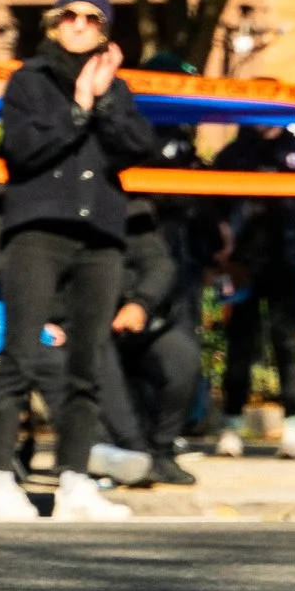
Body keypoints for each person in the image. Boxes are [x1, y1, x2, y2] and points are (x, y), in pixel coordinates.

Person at [0, 0, 153, 523]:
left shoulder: (114, 88)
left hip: (99, 237)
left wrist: (103, 101)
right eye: (69, 16)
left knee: (88, 365)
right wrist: (78, 105)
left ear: (104, 30)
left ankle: (75, 479)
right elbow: (23, 151)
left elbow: (137, 148)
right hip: (38, 233)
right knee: (20, 359)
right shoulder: (28, 81)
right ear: (54, 23)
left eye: (91, 18)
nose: (78, 26)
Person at [211, 129, 295, 459]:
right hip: (241, 266)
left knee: (288, 345)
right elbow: (212, 206)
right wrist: (217, 253)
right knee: (238, 346)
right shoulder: (234, 154)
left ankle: (293, 426)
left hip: (288, 264)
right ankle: (232, 425)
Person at [109, 183, 206, 487]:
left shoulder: (135, 222)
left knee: (182, 359)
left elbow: (161, 266)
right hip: (86, 328)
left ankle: (161, 451)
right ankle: (128, 454)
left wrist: (140, 303)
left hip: (141, 323)